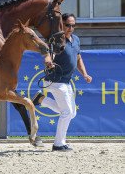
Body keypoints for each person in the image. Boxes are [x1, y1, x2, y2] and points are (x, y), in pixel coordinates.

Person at [32, 13, 92, 151]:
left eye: (73, 25)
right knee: (67, 113)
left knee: (71, 113)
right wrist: (49, 61)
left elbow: (78, 58)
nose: (70, 28)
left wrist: (85, 74)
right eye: (68, 25)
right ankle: (58, 144)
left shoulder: (75, 40)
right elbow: (49, 54)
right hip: (55, 80)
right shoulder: (57, 40)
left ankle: (42, 100)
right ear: (62, 24)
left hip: (66, 81)